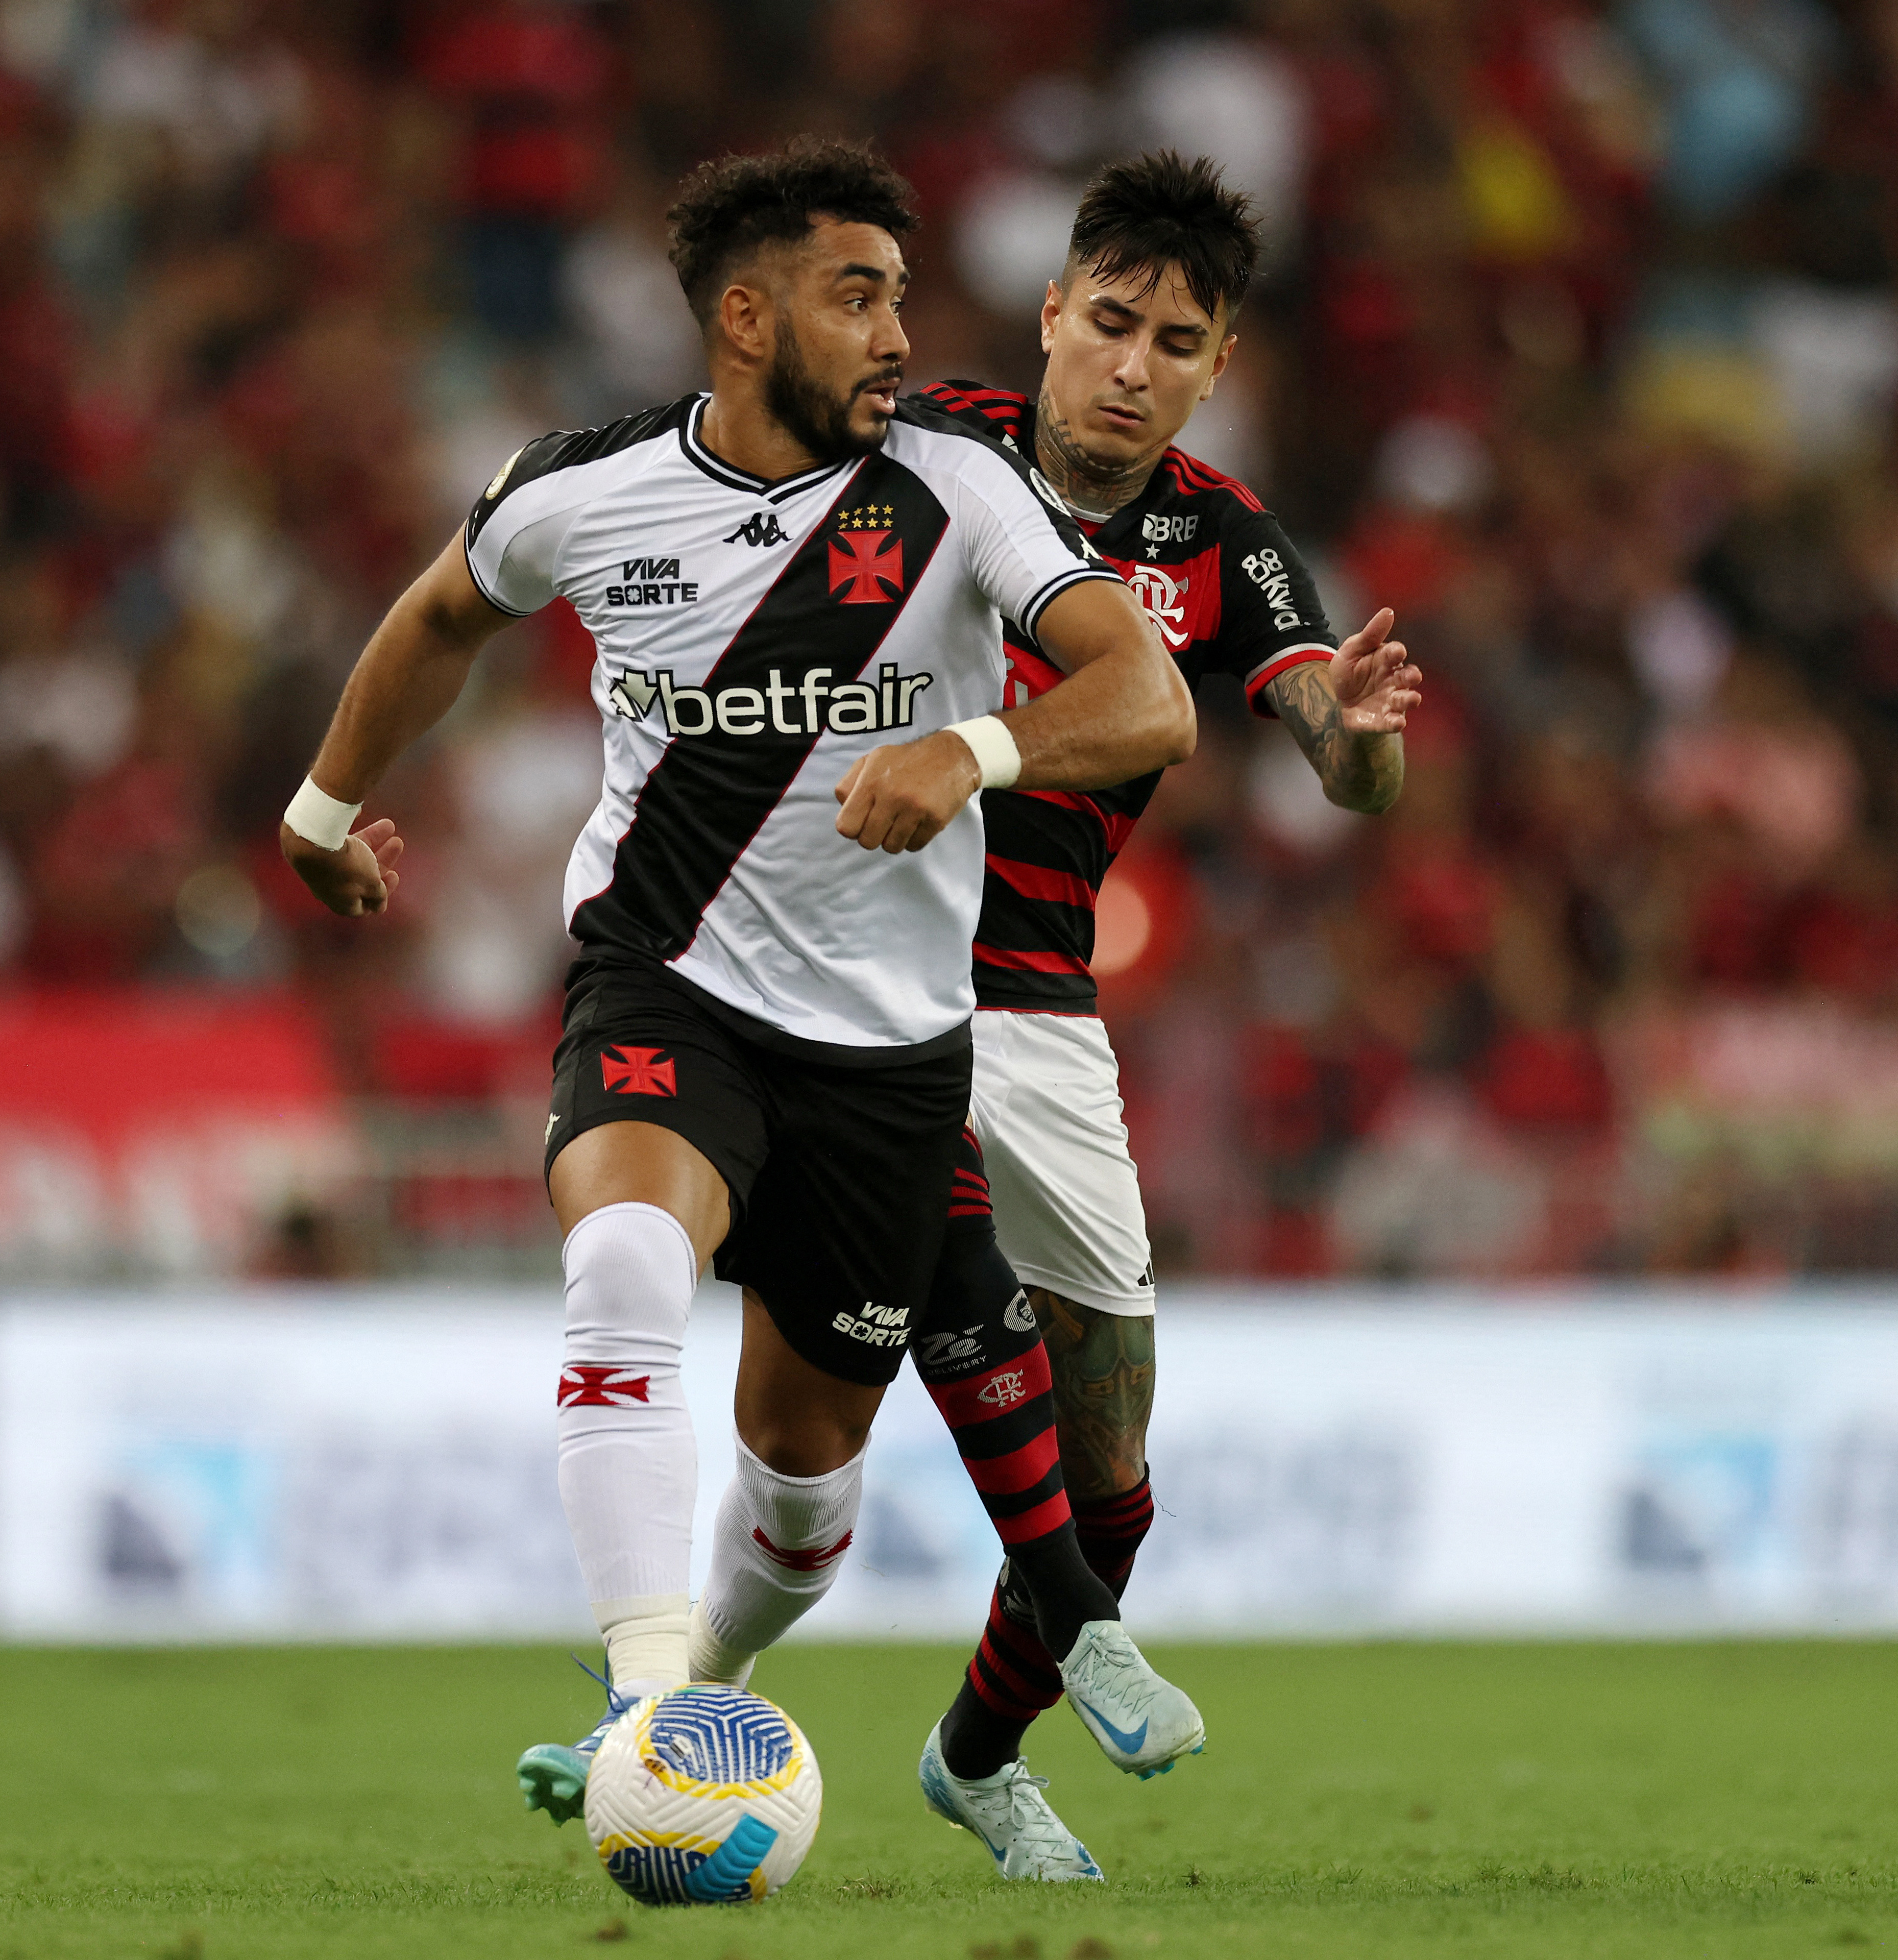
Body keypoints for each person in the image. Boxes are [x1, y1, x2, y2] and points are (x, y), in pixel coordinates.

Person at [276, 138, 1211, 1825]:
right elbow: (433, 618)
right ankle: (647, 1718)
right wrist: (319, 809)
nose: (895, 337)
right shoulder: (580, 487)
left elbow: (1148, 700)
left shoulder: (956, 490)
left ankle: (709, 1664)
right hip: (665, 989)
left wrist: (975, 746)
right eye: (857, 299)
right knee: (624, 1260)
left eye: (901, 299)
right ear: (744, 316)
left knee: (800, 1485)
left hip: (886, 1056)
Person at [905, 153, 1425, 1879]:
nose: (1132, 363)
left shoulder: (1219, 541)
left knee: (1113, 1458)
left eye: (1174, 341)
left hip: (1040, 1009)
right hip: (849, 973)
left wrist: (1356, 734)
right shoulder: (922, 447)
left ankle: (979, 1760)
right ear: (1050, 316)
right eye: (1109, 323)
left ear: (1215, 368)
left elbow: (1343, 766)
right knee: (878, 1329)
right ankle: (658, 1695)